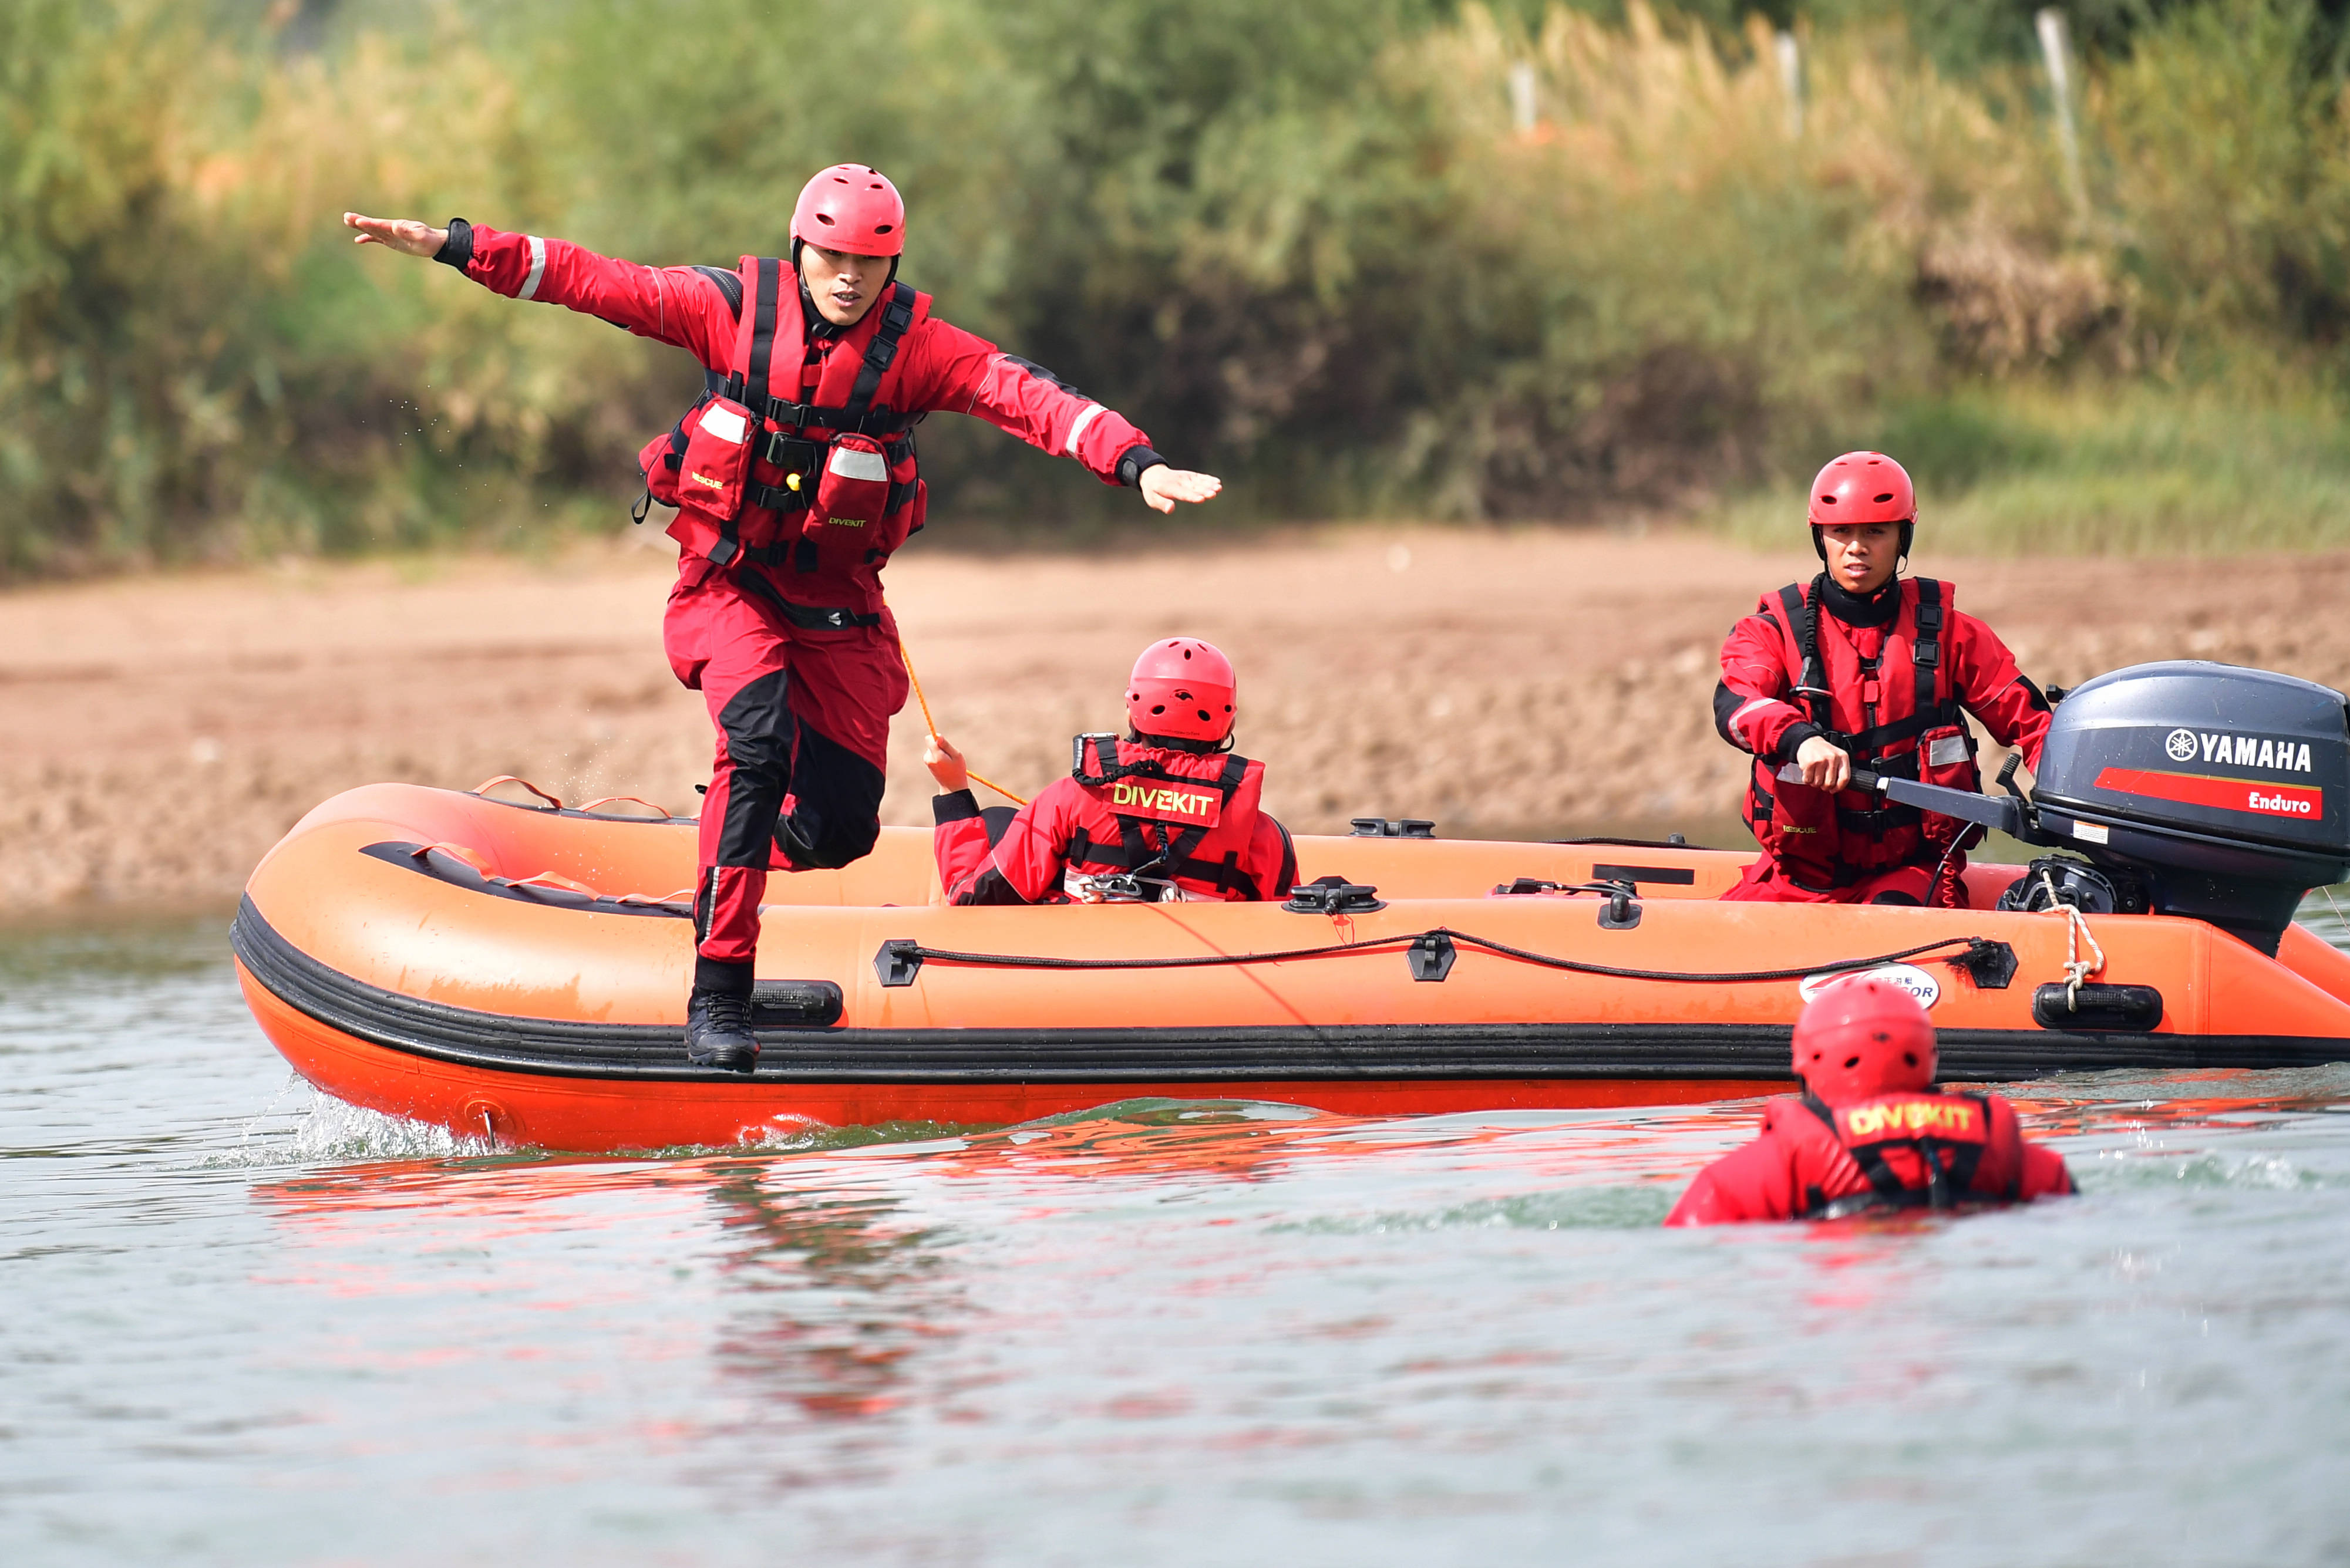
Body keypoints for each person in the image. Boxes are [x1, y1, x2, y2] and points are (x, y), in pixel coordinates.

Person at [344, 167, 1223, 1073]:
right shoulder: (727, 309)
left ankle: (732, 840)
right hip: (727, 586)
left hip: (839, 611)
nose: (847, 277)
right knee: (756, 743)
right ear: (801, 247)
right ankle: (718, 991)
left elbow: (1031, 397)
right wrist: (453, 244)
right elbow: (589, 278)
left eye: (868, 263)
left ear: (892, 267)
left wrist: (1135, 464)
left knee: (844, 830)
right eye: (831, 256)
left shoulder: (921, 350)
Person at [1714, 451, 2053, 906]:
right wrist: (1799, 739)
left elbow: (2031, 721)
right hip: (1802, 878)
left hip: (1912, 874)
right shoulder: (1773, 629)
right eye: (1842, 532)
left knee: (1896, 917)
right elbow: (1737, 704)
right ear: (1822, 538)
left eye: (1876, 531)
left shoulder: (1950, 631)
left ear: (1902, 538)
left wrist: (2073, 789)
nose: (1858, 546)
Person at [1665, 976, 2075, 1226]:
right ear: (1927, 1055)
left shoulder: (1742, 1180)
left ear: (1809, 1064)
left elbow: (1685, 1258)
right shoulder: (2027, 1163)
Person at [923, 638, 1297, 905]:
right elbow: (1293, 923)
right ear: (1228, 723)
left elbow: (970, 896)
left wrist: (953, 794)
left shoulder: (1072, 797)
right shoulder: (1259, 832)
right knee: (1002, 818)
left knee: (995, 822)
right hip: (1203, 984)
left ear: (1133, 709)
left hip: (1080, 973)